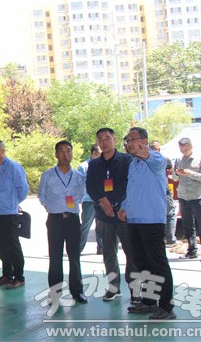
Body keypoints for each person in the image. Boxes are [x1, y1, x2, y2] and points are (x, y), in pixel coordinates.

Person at [119, 127, 176, 320]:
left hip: (151, 220)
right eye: (127, 140)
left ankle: (167, 307)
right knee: (142, 263)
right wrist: (124, 206)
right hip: (134, 220)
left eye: (132, 139)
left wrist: (148, 154)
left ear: (144, 140)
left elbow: (158, 162)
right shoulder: (133, 164)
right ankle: (149, 301)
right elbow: (132, 190)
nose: (129, 143)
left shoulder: (156, 159)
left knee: (157, 263)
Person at [86, 128, 139, 304]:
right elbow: (91, 186)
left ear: (114, 140)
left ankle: (135, 291)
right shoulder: (94, 164)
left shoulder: (126, 160)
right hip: (104, 215)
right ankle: (113, 288)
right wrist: (103, 201)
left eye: (108, 138)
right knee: (108, 252)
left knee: (131, 253)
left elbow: (130, 184)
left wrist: (114, 203)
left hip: (124, 213)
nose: (104, 142)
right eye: (100, 139)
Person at [38, 141, 87, 304]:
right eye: (61, 151)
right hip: (55, 220)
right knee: (55, 257)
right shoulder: (48, 175)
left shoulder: (78, 176)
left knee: (74, 256)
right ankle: (55, 293)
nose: (65, 154)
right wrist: (52, 207)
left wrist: (70, 206)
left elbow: (81, 195)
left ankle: (77, 292)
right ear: (56, 154)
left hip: (72, 220)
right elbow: (41, 195)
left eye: (68, 151)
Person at [0, 140, 29, 289]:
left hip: (9, 214)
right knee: (1, 246)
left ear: (3, 151)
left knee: (13, 246)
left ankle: (19, 277)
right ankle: (7, 275)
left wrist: (13, 202)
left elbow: (23, 189)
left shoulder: (13, 167)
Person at [171, 137, 201, 262]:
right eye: (181, 149)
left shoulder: (200, 159)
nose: (183, 151)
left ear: (191, 146)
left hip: (197, 196)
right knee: (188, 225)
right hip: (183, 196)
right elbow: (174, 178)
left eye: (185, 149)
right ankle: (192, 251)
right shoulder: (178, 160)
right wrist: (177, 173)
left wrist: (190, 173)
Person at [149, 140, 177, 246]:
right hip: (164, 190)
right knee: (170, 214)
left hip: (152, 191)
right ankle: (170, 238)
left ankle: (159, 238)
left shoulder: (146, 160)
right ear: (159, 149)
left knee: (156, 215)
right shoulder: (165, 159)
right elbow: (172, 171)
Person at [77, 144, 103, 254]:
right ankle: (78, 248)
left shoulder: (103, 164)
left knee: (101, 225)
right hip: (88, 200)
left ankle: (101, 248)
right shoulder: (84, 166)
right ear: (94, 153)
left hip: (101, 200)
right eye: (100, 153)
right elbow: (80, 184)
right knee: (85, 225)